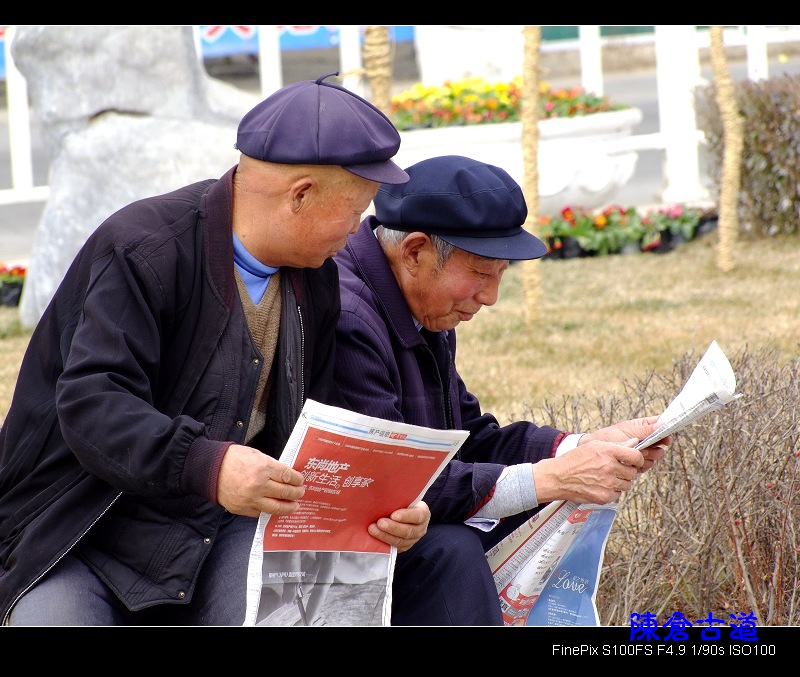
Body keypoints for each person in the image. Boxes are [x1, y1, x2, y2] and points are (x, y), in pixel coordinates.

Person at [0, 73, 432, 626]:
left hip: (225, 525)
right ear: (300, 196)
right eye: (354, 210)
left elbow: (315, 433)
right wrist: (211, 464)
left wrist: (377, 505)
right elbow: (92, 406)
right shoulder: (145, 248)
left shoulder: (315, 278)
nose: (357, 231)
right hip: (79, 526)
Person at [333, 154, 670, 625]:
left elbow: (467, 435)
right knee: (450, 550)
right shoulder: (349, 316)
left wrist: (582, 446)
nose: (490, 297)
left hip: (394, 519)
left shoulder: (423, 302)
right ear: (414, 252)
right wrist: (554, 477)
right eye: (480, 273)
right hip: (333, 537)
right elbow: (393, 478)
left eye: (501, 275)